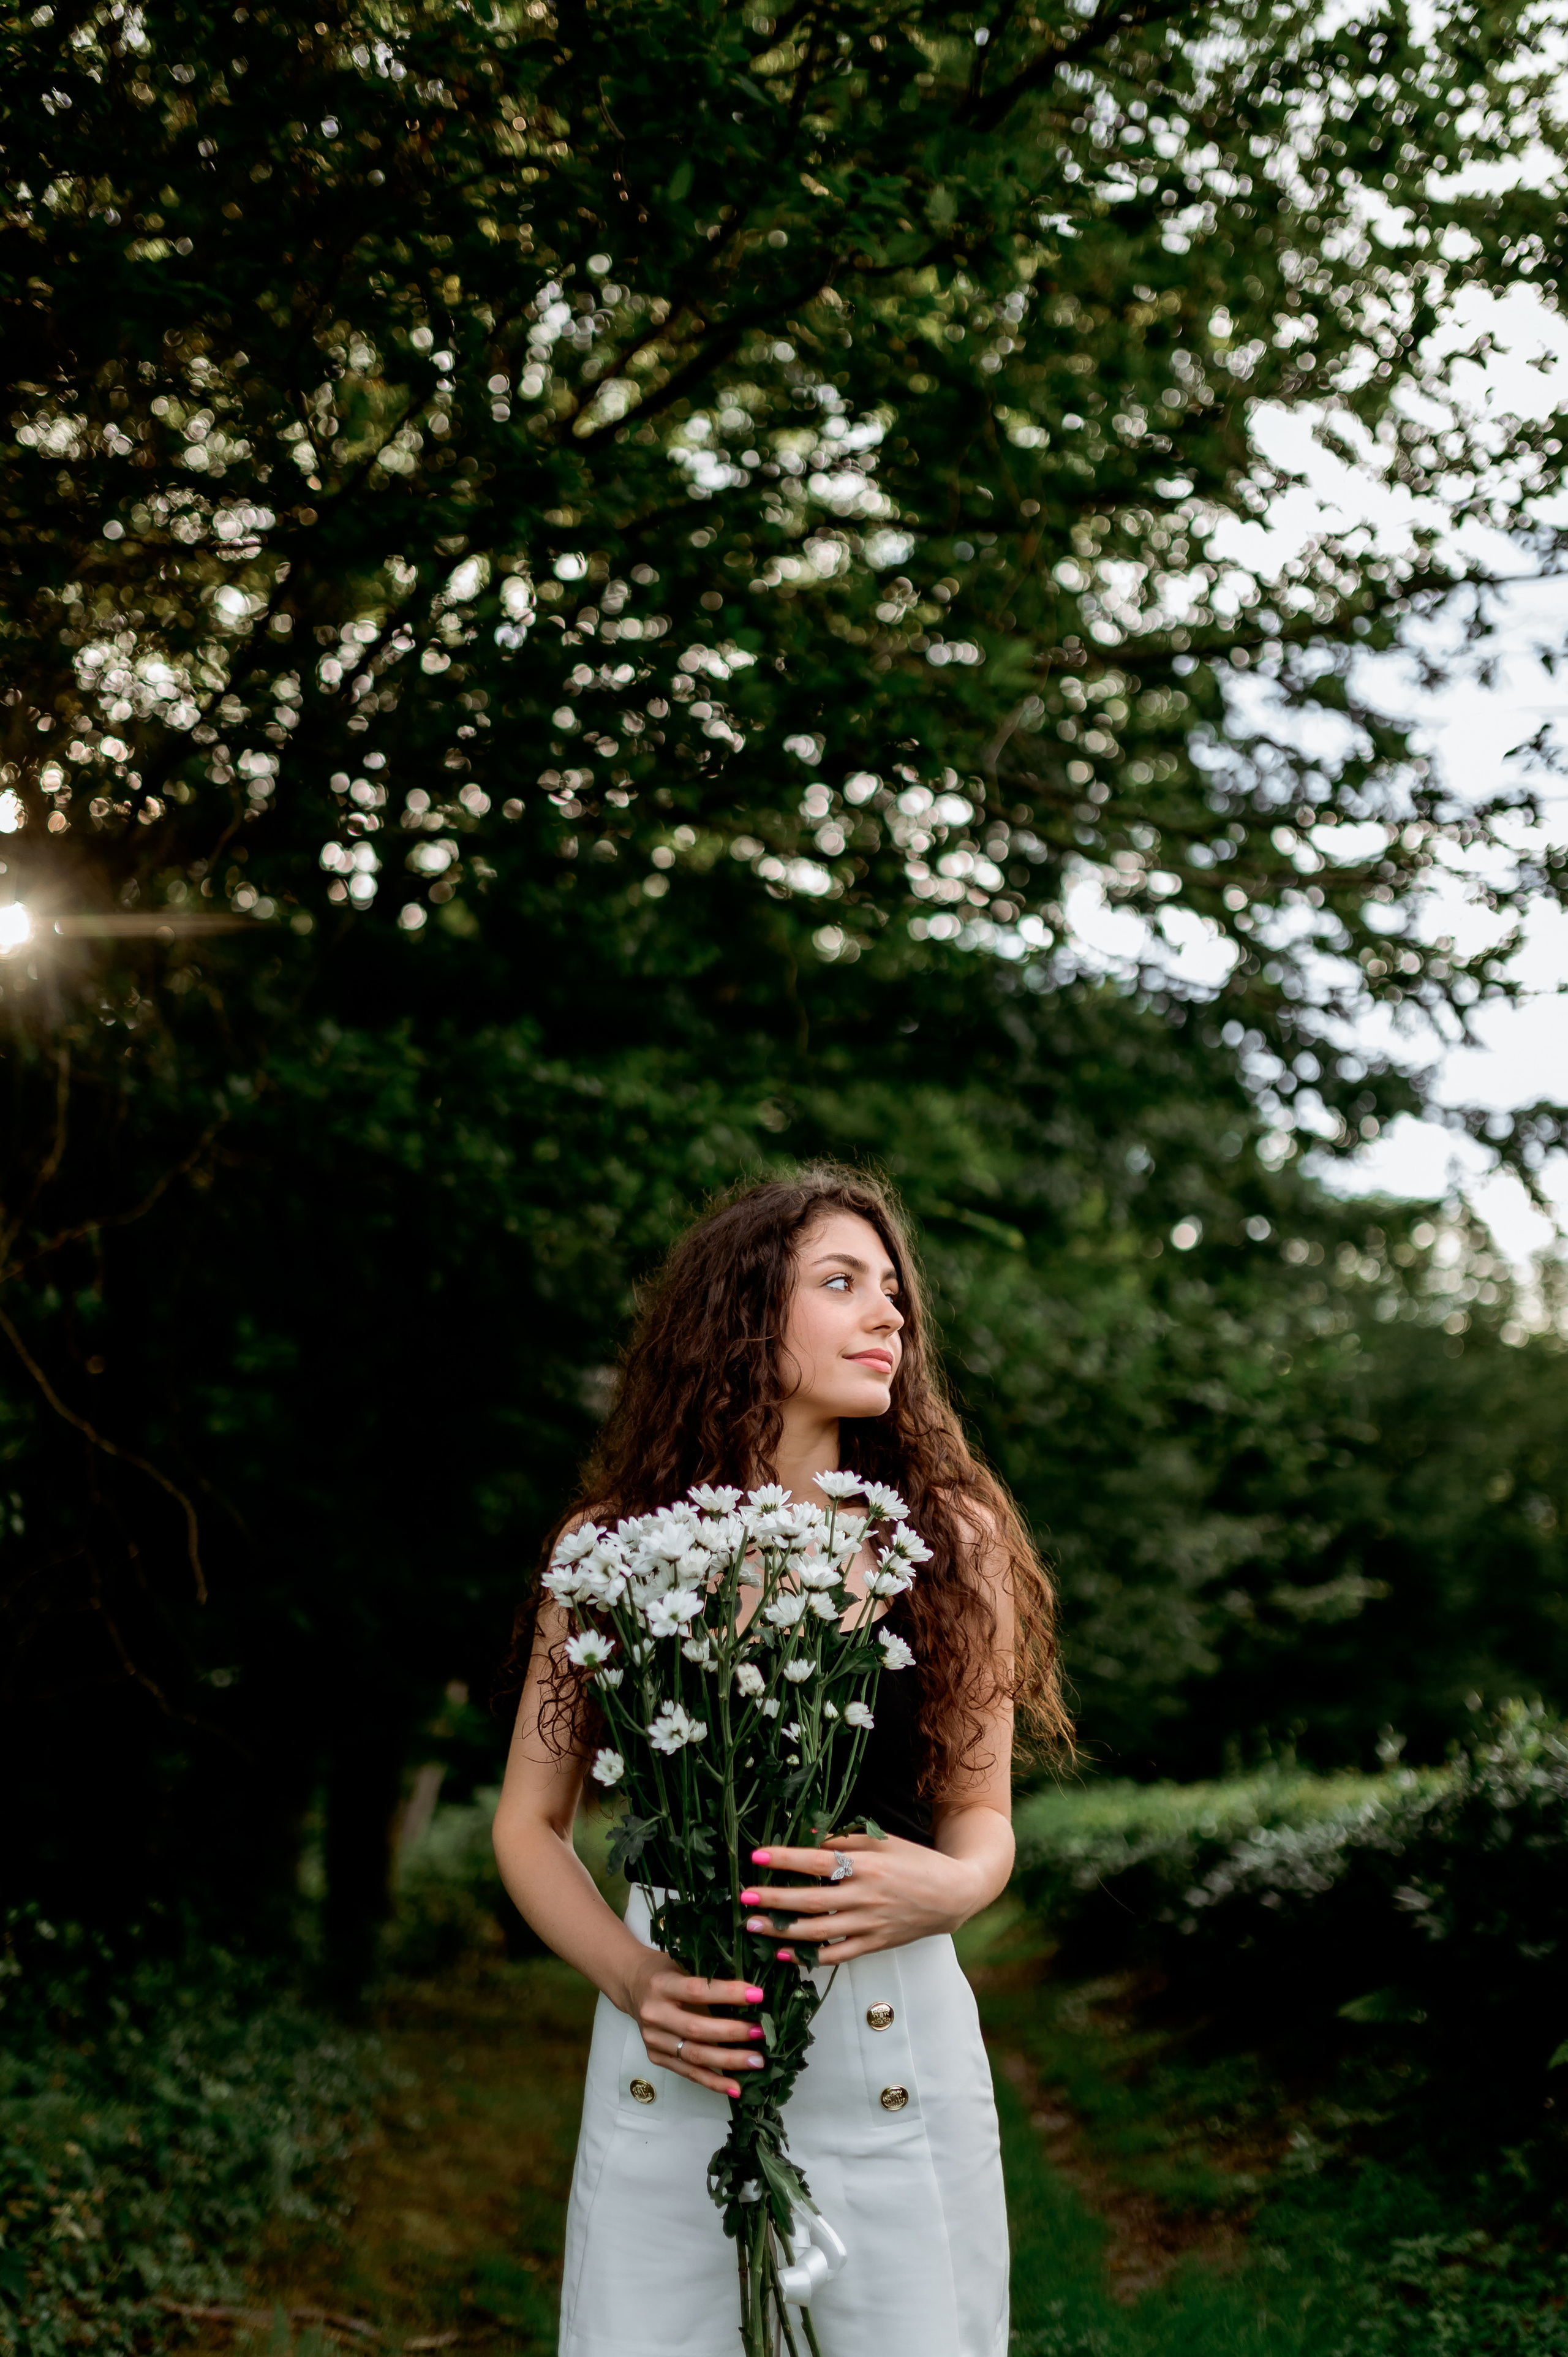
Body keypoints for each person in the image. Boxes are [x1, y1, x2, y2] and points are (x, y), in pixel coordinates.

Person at [492, 1165, 1069, 2357]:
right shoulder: (612, 1549)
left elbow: (982, 1816)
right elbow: (528, 1824)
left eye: (893, 1290)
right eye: (841, 1282)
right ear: (744, 1308)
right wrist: (633, 1979)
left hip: (895, 2056)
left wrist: (952, 1886)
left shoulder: (945, 1538)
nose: (889, 1313)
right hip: (675, 2066)